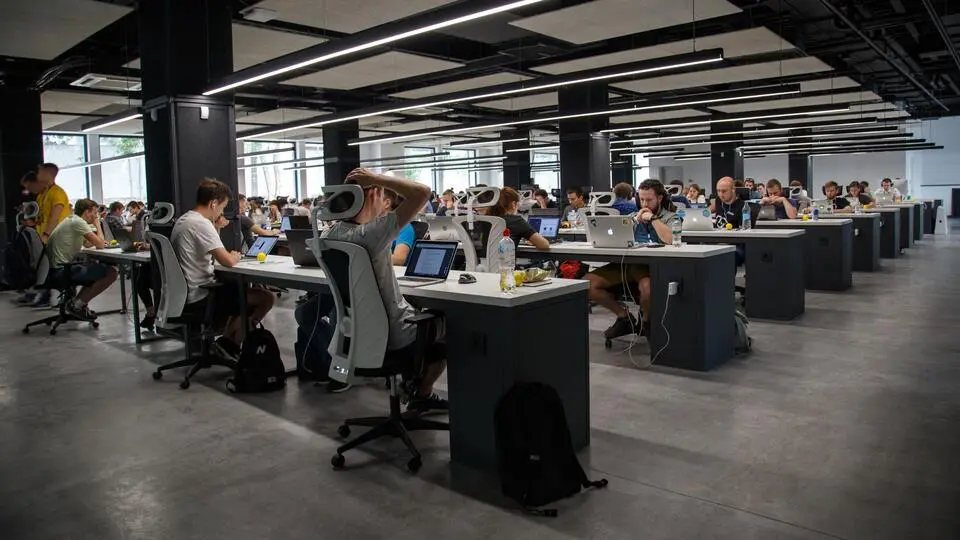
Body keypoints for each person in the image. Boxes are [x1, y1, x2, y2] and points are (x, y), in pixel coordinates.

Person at [323, 168, 448, 411]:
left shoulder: (330, 234)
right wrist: (376, 179)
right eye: (381, 194)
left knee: (421, 314)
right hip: (396, 334)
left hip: (357, 336)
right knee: (455, 322)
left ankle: (412, 382)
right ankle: (422, 392)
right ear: (372, 196)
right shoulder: (371, 233)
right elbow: (423, 192)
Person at [172, 178, 275, 362]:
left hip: (186, 294)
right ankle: (229, 344)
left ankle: (226, 344)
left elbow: (207, 247)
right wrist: (235, 256)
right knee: (266, 298)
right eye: (222, 206)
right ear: (213, 203)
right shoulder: (201, 224)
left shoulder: (186, 219)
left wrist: (216, 227)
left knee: (238, 292)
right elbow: (227, 260)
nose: (221, 212)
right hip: (201, 295)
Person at [585, 179, 676, 340]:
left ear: (660, 198)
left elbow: (670, 239)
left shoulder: (671, 217)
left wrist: (653, 219)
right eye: (642, 199)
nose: (644, 203)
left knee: (647, 289)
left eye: (649, 200)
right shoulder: (632, 217)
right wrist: (634, 220)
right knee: (588, 284)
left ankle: (646, 322)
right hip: (628, 265)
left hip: (652, 267)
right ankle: (624, 317)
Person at [46, 199, 118, 320]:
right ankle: (77, 305)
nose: (96, 215)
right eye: (94, 212)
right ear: (86, 212)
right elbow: (100, 244)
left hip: (55, 269)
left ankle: (77, 303)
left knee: (92, 267)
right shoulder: (78, 222)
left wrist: (96, 239)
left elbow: (88, 244)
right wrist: (97, 224)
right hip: (61, 271)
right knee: (111, 272)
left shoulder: (72, 220)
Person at [383, 189, 417, 266]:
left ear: (387, 203)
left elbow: (399, 259)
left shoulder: (404, 227)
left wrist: (369, 259)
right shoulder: (373, 225)